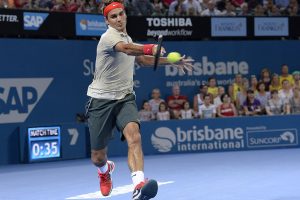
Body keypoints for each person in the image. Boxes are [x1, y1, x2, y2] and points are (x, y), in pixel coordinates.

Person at [85, 1, 193, 199]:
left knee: (134, 136)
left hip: (125, 97)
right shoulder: (108, 37)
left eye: (120, 14)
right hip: (101, 101)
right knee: (97, 157)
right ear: (107, 21)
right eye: (113, 16)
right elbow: (127, 49)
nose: (118, 19)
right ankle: (105, 171)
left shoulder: (127, 37)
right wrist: (150, 47)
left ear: (125, 15)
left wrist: (170, 61)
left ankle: (138, 184)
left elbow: (142, 60)